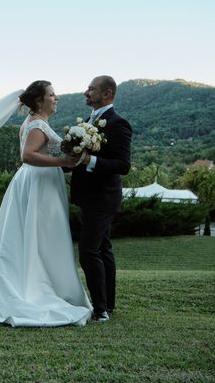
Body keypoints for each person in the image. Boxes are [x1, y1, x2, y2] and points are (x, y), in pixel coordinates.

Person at [0, 80, 92, 327]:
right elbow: (28, 155)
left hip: (37, 182)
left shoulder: (36, 122)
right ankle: (41, 289)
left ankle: (43, 283)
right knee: (43, 236)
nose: (56, 98)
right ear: (38, 101)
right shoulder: (36, 124)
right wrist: (63, 162)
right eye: (52, 94)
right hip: (38, 185)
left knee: (39, 237)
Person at [70, 76, 132, 322]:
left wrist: (89, 160)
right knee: (103, 249)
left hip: (103, 199)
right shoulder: (87, 122)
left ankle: (100, 309)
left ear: (107, 94)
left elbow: (123, 165)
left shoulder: (119, 124)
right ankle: (108, 304)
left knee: (88, 251)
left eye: (91, 89)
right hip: (87, 197)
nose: (86, 92)